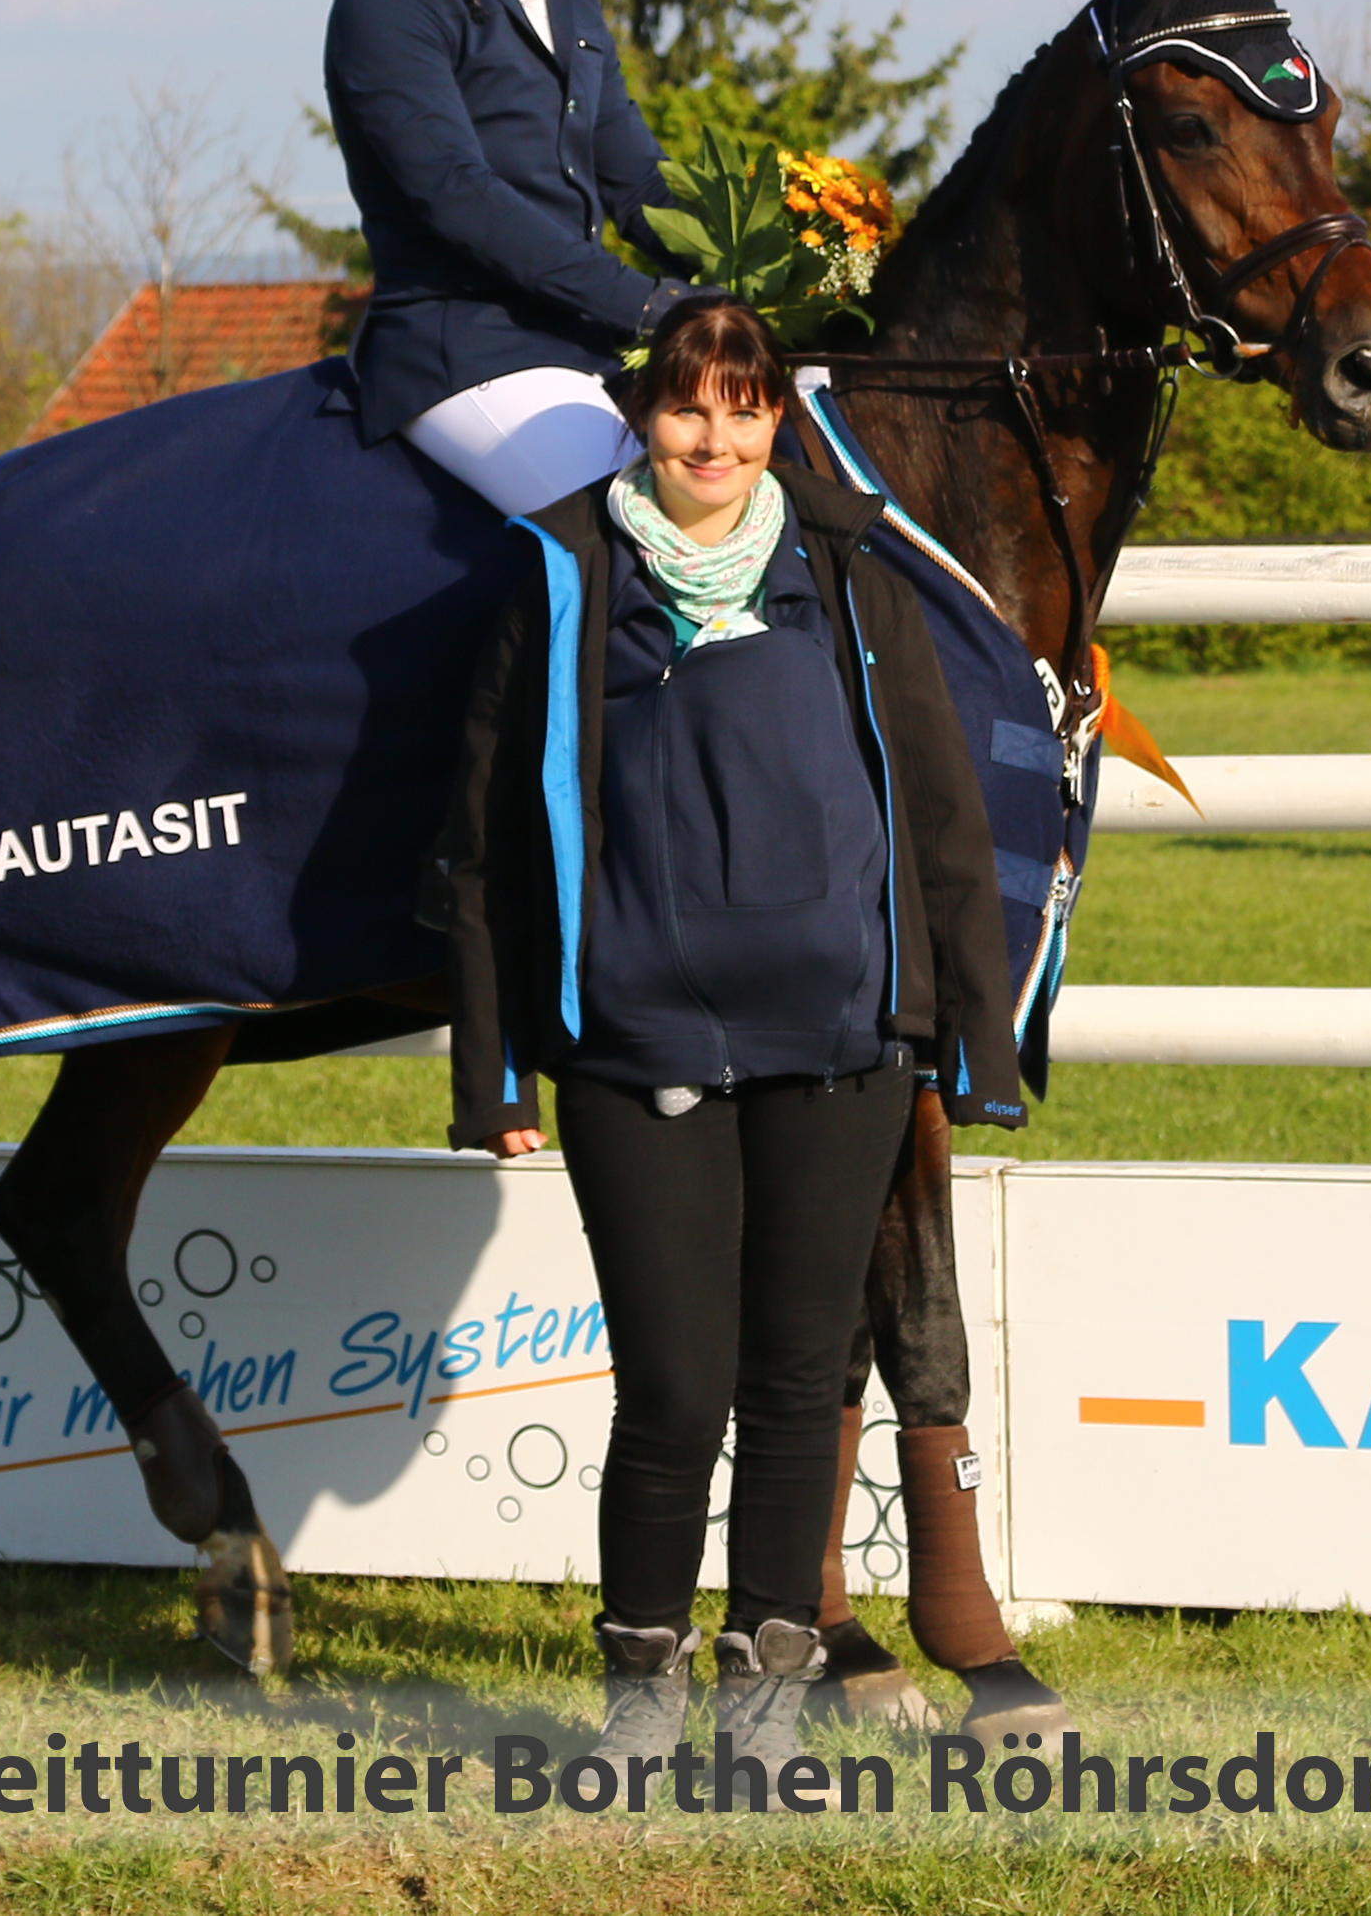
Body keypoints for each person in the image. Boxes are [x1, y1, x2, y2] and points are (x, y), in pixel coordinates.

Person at [430, 301, 1029, 1793]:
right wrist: (493, 1069)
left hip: (841, 1043)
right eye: (689, 407)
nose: (715, 438)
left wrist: (974, 1036)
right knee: (674, 1391)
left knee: (795, 1383)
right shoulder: (559, 569)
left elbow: (939, 812)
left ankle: (765, 1704)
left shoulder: (848, 564)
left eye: (745, 409)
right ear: (644, 415)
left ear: (774, 420)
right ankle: (640, 1697)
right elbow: (479, 845)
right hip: (635, 1051)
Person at [325, 0, 715, 514]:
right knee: (648, 519)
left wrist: (769, 259)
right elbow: (457, 196)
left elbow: (638, 186)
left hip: (583, 344)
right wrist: (647, 304)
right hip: (465, 349)